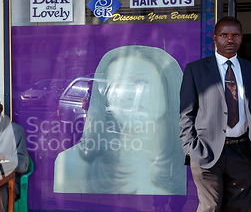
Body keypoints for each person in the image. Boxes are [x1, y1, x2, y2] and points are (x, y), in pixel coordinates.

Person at [179, 16, 251, 212]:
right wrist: (191, 147)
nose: (230, 39)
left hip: (242, 153)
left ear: (241, 38)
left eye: (235, 35)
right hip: (207, 154)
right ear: (214, 38)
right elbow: (185, 114)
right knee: (210, 208)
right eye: (224, 35)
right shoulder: (196, 69)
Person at [54, 45, 186, 195]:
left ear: (168, 87)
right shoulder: (72, 163)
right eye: (115, 85)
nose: (125, 95)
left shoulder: (191, 160)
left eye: (141, 83)